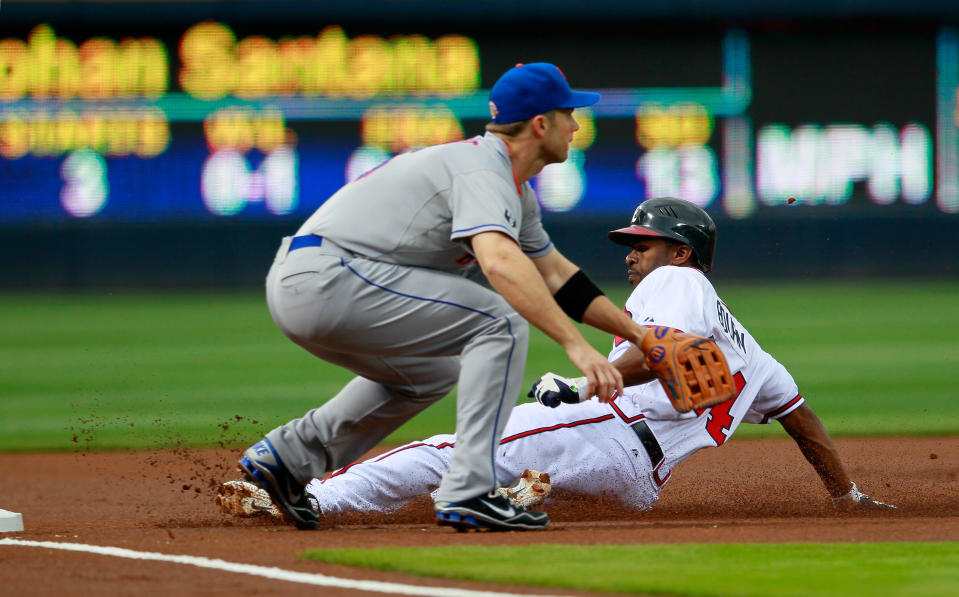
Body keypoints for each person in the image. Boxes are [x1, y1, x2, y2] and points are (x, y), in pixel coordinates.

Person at [221, 197, 894, 522]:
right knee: (508, 463)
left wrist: (577, 383)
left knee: (442, 449)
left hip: (605, 430)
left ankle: (308, 497)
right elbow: (800, 418)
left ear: (682, 252)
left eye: (646, 242)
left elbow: (662, 352)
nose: (631, 252)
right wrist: (845, 494)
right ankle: (521, 494)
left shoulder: (678, 282)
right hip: (641, 481)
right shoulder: (754, 350)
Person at [238, 63, 659, 532]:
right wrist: (575, 345)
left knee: (428, 374)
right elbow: (500, 264)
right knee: (497, 323)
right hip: (328, 277)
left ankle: (287, 458)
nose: (576, 124)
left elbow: (560, 277)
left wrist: (642, 337)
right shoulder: (482, 167)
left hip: (317, 282)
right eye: (568, 113)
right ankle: (470, 489)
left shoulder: (512, 191)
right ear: (541, 124)